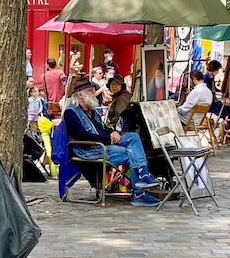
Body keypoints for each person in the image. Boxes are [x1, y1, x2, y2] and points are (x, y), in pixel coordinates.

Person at [62, 77, 161, 206]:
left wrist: (112, 132)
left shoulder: (90, 110)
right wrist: (108, 139)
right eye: (91, 90)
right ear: (80, 94)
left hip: (104, 143)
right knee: (132, 153)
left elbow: (103, 128)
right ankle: (139, 193)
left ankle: (142, 175)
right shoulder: (71, 112)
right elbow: (83, 136)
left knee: (133, 137)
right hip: (90, 149)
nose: (94, 92)